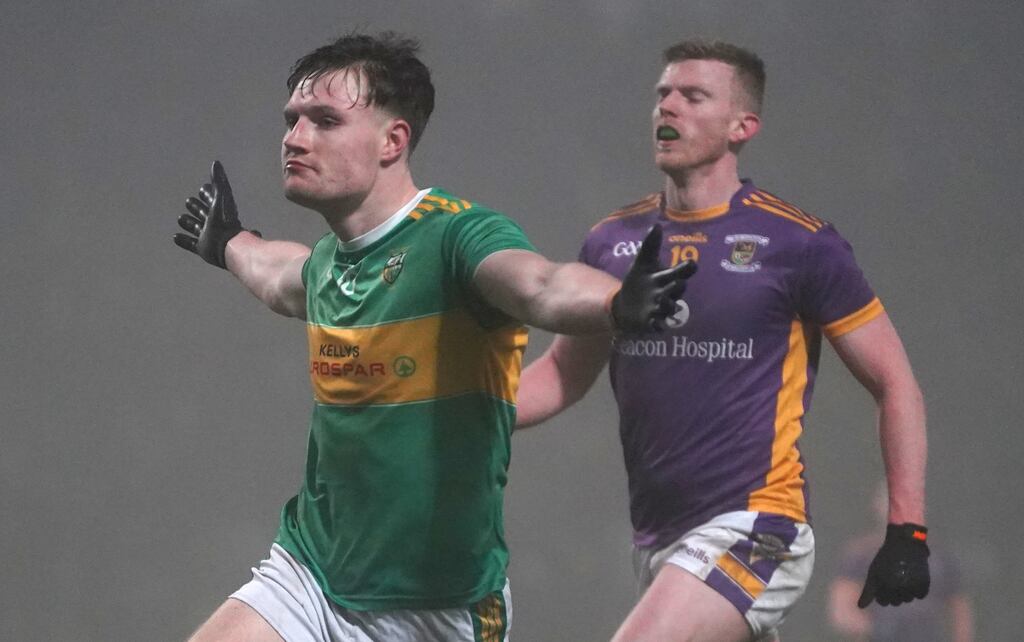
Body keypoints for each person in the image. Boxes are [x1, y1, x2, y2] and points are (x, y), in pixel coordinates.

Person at [172, 32, 694, 642]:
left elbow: (540, 284)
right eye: (292, 120)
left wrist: (614, 302)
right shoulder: (327, 265)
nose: (295, 137)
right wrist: (228, 241)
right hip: (309, 575)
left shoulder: (456, 237)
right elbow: (275, 274)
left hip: (440, 611)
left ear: (392, 141)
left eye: (325, 120)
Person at [515, 39, 930, 642]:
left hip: (757, 525)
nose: (668, 107)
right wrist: (449, 411)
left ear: (743, 126)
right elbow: (561, 375)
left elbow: (895, 383)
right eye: (663, 94)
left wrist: (907, 529)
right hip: (658, 539)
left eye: (693, 96)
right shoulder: (612, 241)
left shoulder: (799, 244)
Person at [828, 484, 973, 642]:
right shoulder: (862, 554)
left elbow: (960, 610)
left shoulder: (939, 554)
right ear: (878, 505)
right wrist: (875, 629)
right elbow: (842, 610)